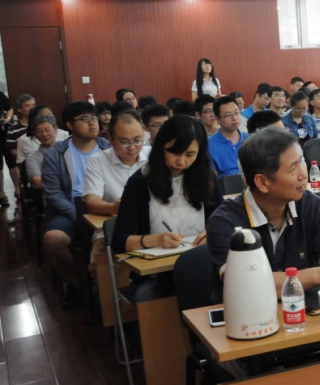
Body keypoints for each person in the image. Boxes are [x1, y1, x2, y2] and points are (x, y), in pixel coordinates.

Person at [207, 128, 320, 301]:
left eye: (301, 162)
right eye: (293, 168)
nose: (303, 175)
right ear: (262, 182)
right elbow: (245, 284)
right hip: (248, 313)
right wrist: (317, 275)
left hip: (303, 310)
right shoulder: (224, 221)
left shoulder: (312, 205)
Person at [113, 115, 222, 301]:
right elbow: (119, 241)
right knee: (146, 296)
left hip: (202, 265)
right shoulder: (139, 182)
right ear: (161, 147)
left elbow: (222, 223)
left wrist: (212, 233)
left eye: (190, 154)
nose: (182, 161)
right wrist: (156, 239)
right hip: (157, 274)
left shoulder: (207, 178)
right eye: (175, 153)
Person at [42, 101, 110, 308]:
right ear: (70, 125)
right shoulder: (56, 153)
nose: (92, 123)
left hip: (105, 205)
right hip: (70, 207)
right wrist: (76, 214)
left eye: (94, 118)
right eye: (85, 119)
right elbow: (53, 193)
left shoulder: (108, 147)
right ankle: (73, 283)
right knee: (53, 239)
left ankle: (107, 287)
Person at [84, 110, 150, 217]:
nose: (132, 147)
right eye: (124, 142)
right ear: (111, 139)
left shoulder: (152, 155)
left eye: (137, 140)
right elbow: (92, 203)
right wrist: (115, 207)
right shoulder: (97, 161)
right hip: (116, 220)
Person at [5, 94, 36, 207]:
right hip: (26, 164)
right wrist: (29, 156)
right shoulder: (13, 129)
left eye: (33, 105)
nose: (32, 108)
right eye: (28, 106)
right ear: (20, 109)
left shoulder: (41, 126)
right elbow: (12, 151)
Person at [208, 96, 248, 176]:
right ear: (217, 119)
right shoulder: (209, 144)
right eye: (228, 115)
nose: (234, 118)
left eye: (236, 113)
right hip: (224, 182)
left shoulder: (250, 139)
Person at [24, 114, 59, 191]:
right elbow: (38, 182)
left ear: (55, 129)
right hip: (51, 194)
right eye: (39, 131)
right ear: (35, 134)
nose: (44, 134)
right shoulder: (32, 159)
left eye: (47, 130)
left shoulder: (67, 149)